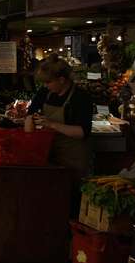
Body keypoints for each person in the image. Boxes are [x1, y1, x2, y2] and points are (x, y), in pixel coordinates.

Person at [28, 55, 94, 187]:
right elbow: (30, 114)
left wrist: (51, 124)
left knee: (71, 196)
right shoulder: (44, 93)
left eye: (48, 82)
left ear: (62, 80)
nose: (45, 86)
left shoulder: (81, 97)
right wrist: (29, 141)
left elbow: (82, 132)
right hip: (49, 153)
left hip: (74, 157)